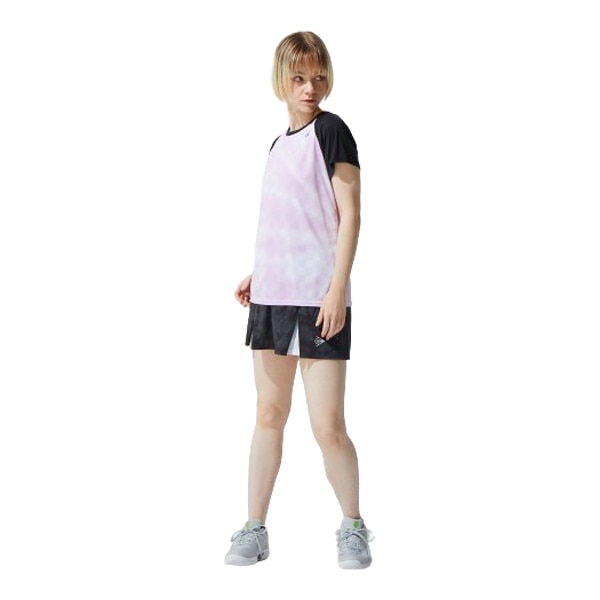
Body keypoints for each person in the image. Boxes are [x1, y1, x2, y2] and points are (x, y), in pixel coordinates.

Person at [224, 31, 373, 570]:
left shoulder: (332, 132)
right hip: (273, 296)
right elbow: (290, 218)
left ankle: (353, 526)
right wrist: (261, 272)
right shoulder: (277, 144)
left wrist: (336, 290)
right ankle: (254, 527)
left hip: (319, 299)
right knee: (268, 413)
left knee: (328, 425)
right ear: (282, 81)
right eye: (299, 78)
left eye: (318, 77)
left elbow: (350, 215)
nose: (310, 88)